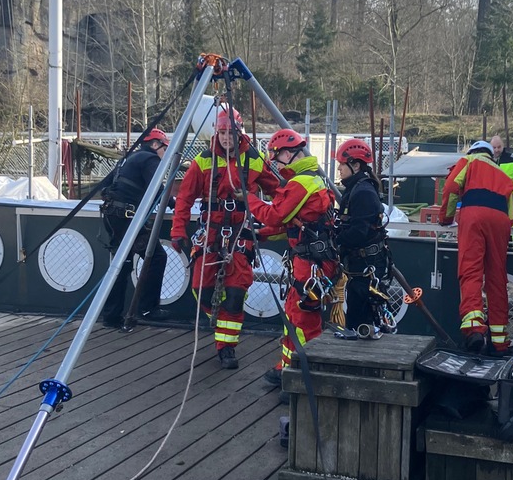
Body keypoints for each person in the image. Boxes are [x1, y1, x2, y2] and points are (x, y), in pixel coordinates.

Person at [170, 106, 278, 369]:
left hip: (241, 233)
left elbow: (279, 190)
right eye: (222, 132)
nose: (226, 137)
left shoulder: (254, 159)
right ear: (215, 134)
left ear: (239, 133)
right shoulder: (203, 161)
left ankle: (226, 348)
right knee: (202, 292)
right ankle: (219, 322)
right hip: (210, 233)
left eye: (230, 132)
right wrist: (178, 230)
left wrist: (290, 213)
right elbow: (184, 198)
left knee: (234, 295)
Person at [244, 129, 338, 388]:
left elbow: (275, 215)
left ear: (289, 153)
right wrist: (260, 235)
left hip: (310, 264)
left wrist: (249, 199)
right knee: (294, 318)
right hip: (311, 261)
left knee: (304, 320)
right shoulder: (312, 179)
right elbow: (292, 223)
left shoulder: (300, 184)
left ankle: (305, 377)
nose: (274, 162)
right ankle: (287, 367)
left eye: (276, 156)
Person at [439, 139, 513, 354]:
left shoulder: (469, 161)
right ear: (492, 155)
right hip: (500, 221)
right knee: (497, 276)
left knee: (471, 270)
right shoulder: (503, 173)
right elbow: (510, 215)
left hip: (473, 215)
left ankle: (474, 329)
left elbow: (452, 187)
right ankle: (499, 341)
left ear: (473, 151)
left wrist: (446, 218)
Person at [99, 128, 171, 328]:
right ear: (156, 144)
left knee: (121, 265)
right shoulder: (151, 160)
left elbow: (103, 186)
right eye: (165, 148)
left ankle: (111, 316)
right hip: (128, 219)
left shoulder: (127, 159)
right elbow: (157, 188)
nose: (165, 153)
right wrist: (174, 204)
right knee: (157, 257)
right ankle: (149, 308)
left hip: (113, 216)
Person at [333, 138, 393, 339]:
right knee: (358, 304)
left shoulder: (363, 192)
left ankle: (357, 344)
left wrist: (335, 238)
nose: (339, 169)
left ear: (355, 165)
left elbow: (359, 232)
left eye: (342, 164)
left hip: (367, 263)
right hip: (363, 262)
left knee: (361, 310)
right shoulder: (357, 188)